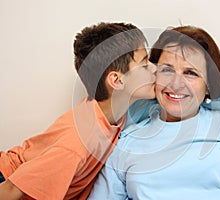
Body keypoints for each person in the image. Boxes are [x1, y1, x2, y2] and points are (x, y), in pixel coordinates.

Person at [88, 26, 220, 199]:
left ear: (208, 85)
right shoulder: (127, 142)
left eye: (191, 73)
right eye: (167, 69)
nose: (176, 84)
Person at [0, 22, 157, 199]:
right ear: (117, 81)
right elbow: (9, 191)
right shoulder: (77, 144)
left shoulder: (110, 110)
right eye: (145, 64)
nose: (154, 68)